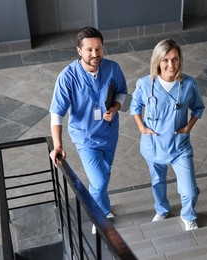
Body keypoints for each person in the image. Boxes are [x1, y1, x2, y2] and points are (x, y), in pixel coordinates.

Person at [49, 27, 128, 234]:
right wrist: (58, 145)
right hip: (85, 137)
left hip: (110, 132)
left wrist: (115, 108)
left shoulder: (113, 68)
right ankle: (98, 216)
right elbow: (57, 113)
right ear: (79, 51)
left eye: (99, 49)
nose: (95, 55)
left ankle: (104, 208)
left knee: (103, 174)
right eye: (89, 50)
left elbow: (122, 92)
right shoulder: (67, 77)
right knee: (99, 180)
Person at [130, 39, 205, 231]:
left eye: (175, 59)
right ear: (157, 61)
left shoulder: (189, 84)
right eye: (165, 60)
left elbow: (198, 108)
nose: (171, 65)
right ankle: (162, 210)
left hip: (179, 146)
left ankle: (188, 216)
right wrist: (141, 127)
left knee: (189, 190)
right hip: (153, 144)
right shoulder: (145, 84)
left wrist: (188, 127)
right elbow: (135, 105)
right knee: (157, 182)